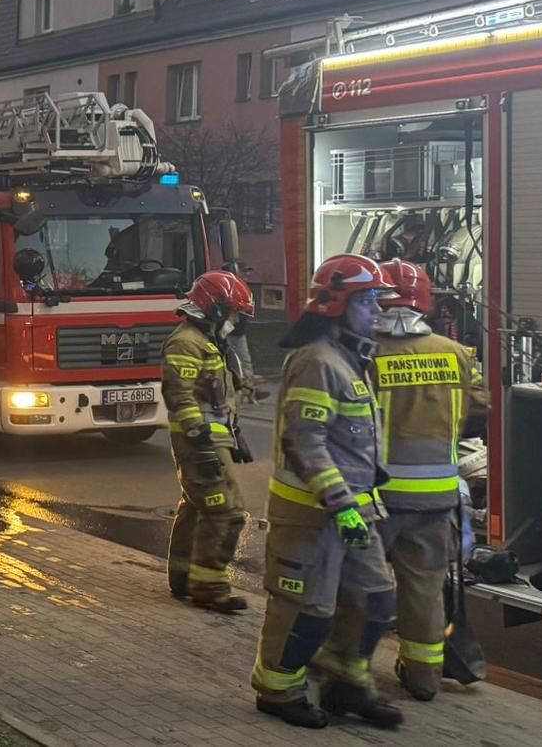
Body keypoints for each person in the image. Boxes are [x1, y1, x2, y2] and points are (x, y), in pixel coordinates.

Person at [314, 259, 488, 702]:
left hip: (377, 497)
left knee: (358, 586)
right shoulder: (455, 352)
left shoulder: (364, 351)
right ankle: (424, 677)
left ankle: (346, 665)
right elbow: (477, 410)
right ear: (426, 301)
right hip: (437, 497)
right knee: (426, 589)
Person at [251, 253, 402, 730]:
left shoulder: (350, 357)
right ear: (337, 304)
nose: (378, 310)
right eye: (370, 300)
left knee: (376, 598)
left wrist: (357, 509)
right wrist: (340, 505)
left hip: (356, 512)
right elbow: (305, 441)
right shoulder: (317, 361)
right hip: (312, 516)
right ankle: (278, 690)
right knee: (306, 611)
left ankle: (347, 684)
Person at [162, 271, 256, 614]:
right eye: (233, 313)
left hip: (212, 438)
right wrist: (199, 438)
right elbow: (179, 394)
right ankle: (210, 587)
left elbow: (216, 392)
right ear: (215, 309)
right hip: (199, 440)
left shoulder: (208, 340)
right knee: (226, 511)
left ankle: (184, 578)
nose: (236, 322)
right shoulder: (186, 342)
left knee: (196, 504)